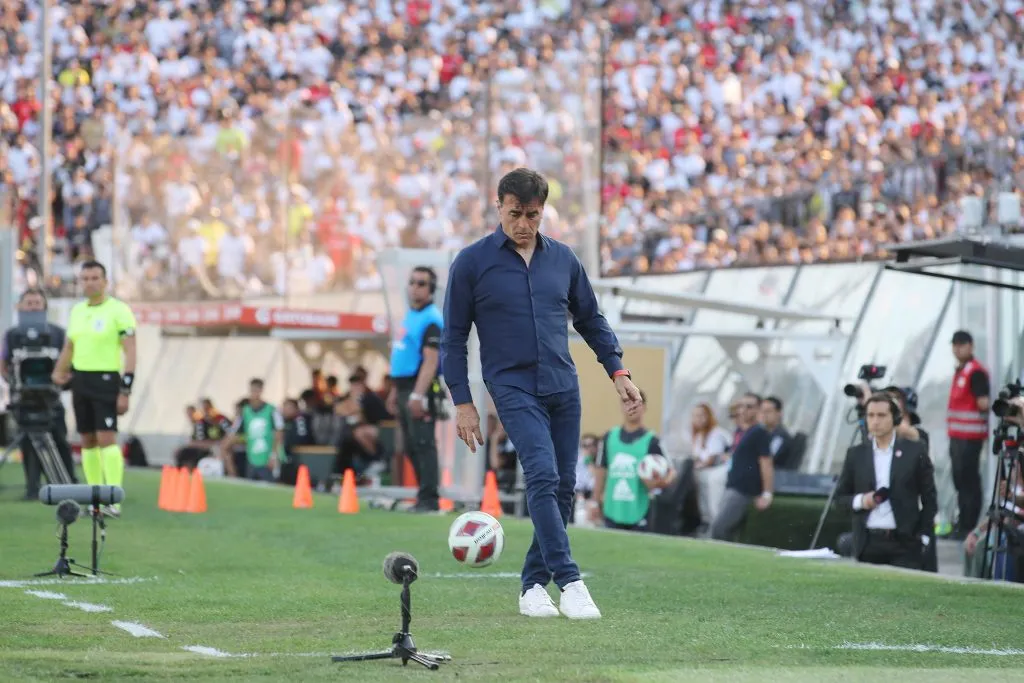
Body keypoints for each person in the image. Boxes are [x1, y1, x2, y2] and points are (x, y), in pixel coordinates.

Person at [441, 167, 642, 620]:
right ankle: (570, 582)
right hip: (510, 386)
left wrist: (619, 372)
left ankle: (533, 586)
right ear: (499, 207)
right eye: (515, 214)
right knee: (543, 476)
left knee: (565, 487)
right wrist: (463, 403)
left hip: (562, 384)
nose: (524, 225)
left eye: (532, 215)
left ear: (542, 211)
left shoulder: (564, 260)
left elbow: (591, 320)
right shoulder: (471, 263)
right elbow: (453, 338)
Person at [51, 261, 137, 517]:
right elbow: (70, 346)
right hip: (81, 381)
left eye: (95, 277)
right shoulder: (77, 311)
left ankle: (113, 498)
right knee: (87, 439)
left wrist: (126, 388)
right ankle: (94, 498)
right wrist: (58, 370)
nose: (90, 282)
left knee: (106, 437)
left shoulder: (119, 310)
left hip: (107, 380)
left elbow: (131, 350)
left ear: (105, 281)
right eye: (85, 278)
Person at [835, 393, 938, 570]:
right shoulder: (856, 455)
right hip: (868, 542)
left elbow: (930, 498)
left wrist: (923, 535)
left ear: (895, 418)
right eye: (870, 415)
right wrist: (862, 501)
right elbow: (840, 498)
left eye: (881, 415)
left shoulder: (915, 451)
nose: (875, 421)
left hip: (905, 543)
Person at [0, 288, 77, 499]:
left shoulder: (57, 333)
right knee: (28, 444)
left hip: (51, 400)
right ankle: (32, 487)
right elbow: (4, 362)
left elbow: (67, 361)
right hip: (23, 399)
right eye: (29, 303)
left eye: (37, 303)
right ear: (21, 306)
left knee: (60, 440)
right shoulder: (12, 335)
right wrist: (13, 381)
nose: (33, 306)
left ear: (44, 306)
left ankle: (67, 483)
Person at [387, 266, 444, 512]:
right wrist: (393, 391)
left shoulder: (432, 318)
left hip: (418, 387)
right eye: (412, 282)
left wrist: (417, 395)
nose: (415, 287)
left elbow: (430, 361)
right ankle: (423, 495)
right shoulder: (411, 315)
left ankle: (429, 499)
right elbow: (403, 355)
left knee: (423, 442)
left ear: (430, 290)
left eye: (421, 283)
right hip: (403, 386)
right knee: (410, 444)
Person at [593, 390, 674, 532]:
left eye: (637, 403)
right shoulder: (609, 437)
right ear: (621, 406)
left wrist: (659, 483)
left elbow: (671, 472)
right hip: (612, 509)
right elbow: (600, 470)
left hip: (639, 510)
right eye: (627, 402)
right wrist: (595, 502)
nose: (632, 407)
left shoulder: (653, 440)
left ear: (644, 408)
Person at [709, 393, 775, 542]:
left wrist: (767, 493)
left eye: (749, 406)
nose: (743, 410)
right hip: (732, 486)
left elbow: (766, 464)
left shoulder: (759, 432)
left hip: (743, 490)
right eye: (741, 406)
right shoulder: (742, 431)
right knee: (723, 529)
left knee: (719, 528)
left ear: (758, 409)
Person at [947, 330, 990, 540]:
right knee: (960, 481)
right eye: (955, 345)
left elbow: (983, 403)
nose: (957, 349)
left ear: (971, 346)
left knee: (969, 481)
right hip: (957, 436)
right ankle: (963, 522)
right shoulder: (961, 371)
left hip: (970, 438)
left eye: (961, 344)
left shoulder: (975, 372)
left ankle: (968, 526)